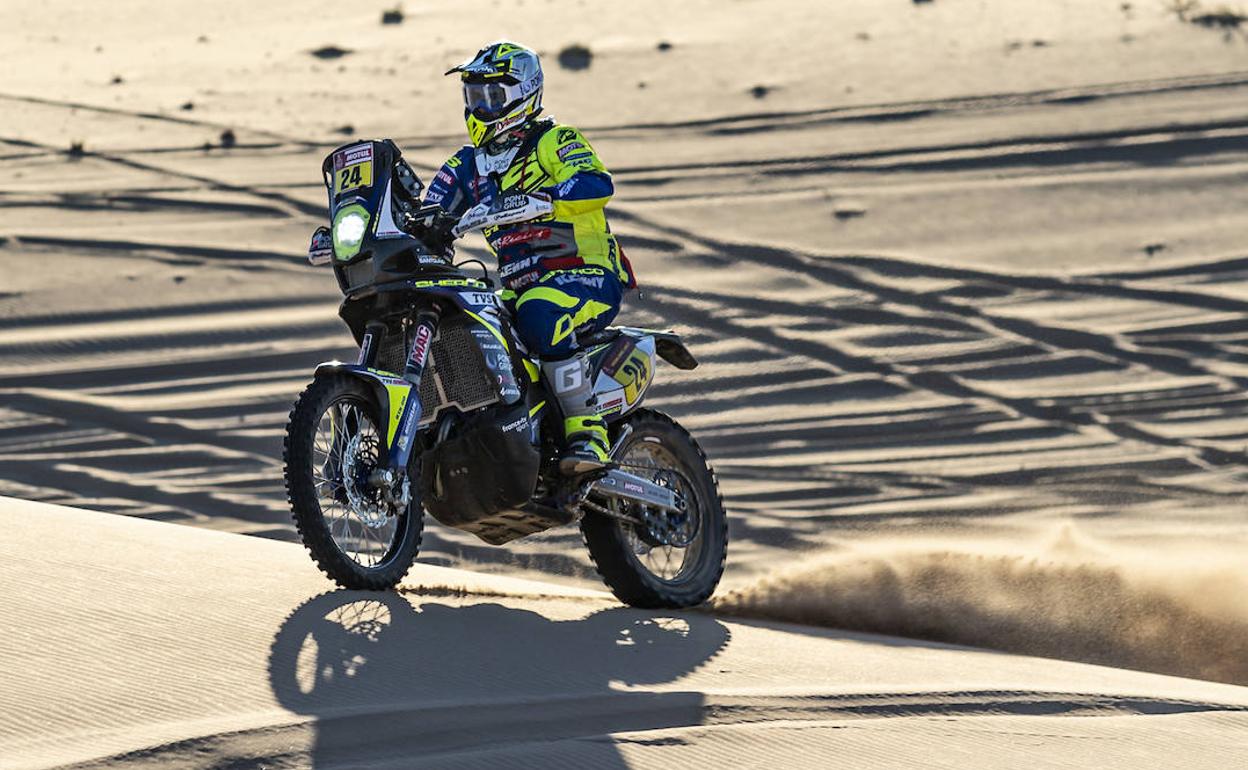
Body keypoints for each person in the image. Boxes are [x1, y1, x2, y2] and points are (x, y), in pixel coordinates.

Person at [423, 40, 636, 475]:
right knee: (466, 323)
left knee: (540, 312)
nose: (480, 106)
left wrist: (545, 200)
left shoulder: (555, 140)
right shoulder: (467, 165)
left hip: (584, 275)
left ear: (523, 93)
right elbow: (429, 210)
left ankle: (588, 433)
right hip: (517, 288)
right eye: (474, 95)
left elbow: (595, 183)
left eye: (492, 95)